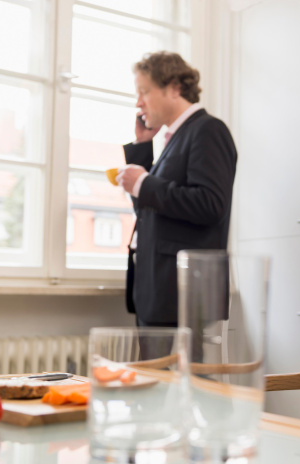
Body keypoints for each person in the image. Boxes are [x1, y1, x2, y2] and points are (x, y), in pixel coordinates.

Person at [117, 51, 237, 336]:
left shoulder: (208, 130)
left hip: (184, 297)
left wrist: (145, 183)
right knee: (158, 380)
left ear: (174, 88)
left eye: (144, 91)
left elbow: (210, 204)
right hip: (161, 296)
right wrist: (143, 147)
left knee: (184, 382)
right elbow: (150, 212)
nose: (139, 102)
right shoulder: (177, 138)